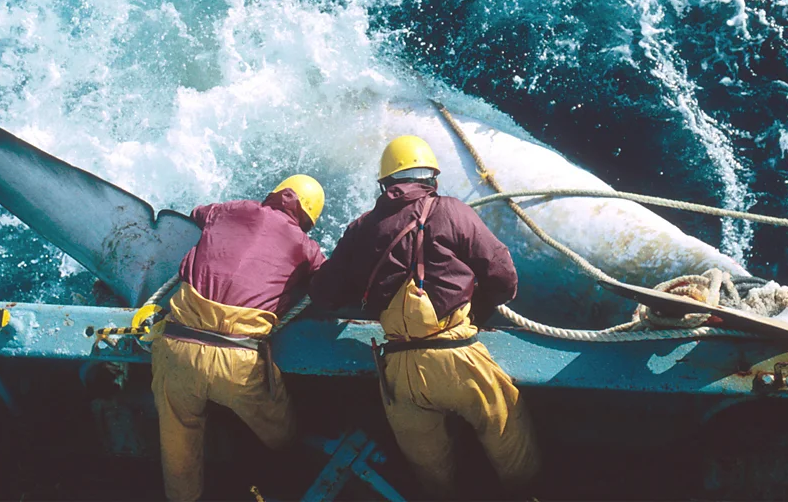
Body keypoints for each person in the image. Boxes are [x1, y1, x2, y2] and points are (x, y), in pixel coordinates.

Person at [309, 136, 539, 498]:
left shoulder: (360, 229)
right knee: (506, 431)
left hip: (400, 371)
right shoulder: (451, 210)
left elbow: (324, 294)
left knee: (431, 474)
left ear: (386, 184)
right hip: (460, 356)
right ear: (431, 179)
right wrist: (477, 311)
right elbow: (503, 276)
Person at [148, 174, 326, 502]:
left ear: (272, 196)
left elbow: (197, 213)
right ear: (307, 219)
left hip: (177, 347)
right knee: (282, 435)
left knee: (178, 449)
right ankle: (284, 481)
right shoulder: (304, 245)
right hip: (238, 363)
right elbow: (328, 283)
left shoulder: (231, 209)